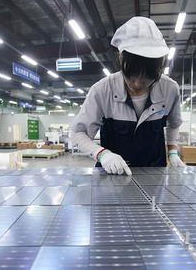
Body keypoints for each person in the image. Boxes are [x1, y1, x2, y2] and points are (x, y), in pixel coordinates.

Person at [71, 16, 185, 175]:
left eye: (147, 78)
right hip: (112, 175)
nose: (137, 84)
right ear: (120, 58)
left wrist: (172, 151)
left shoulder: (170, 89)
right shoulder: (102, 91)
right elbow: (77, 134)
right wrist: (102, 154)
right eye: (131, 75)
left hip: (154, 174)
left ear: (159, 69)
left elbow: (174, 124)